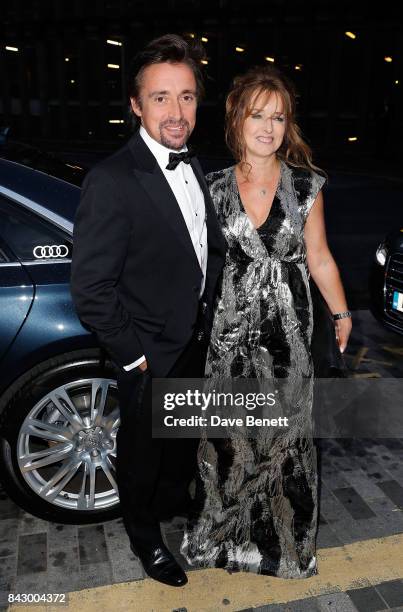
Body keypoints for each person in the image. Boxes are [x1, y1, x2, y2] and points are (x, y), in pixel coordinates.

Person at [181, 65, 352, 577]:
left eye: (279, 117)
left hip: (290, 333)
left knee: (287, 439)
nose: (269, 126)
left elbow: (319, 257)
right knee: (229, 437)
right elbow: (194, 263)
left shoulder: (306, 185)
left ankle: (284, 546)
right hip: (230, 332)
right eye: (258, 114)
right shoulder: (210, 188)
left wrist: (341, 313)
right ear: (237, 119)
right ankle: (220, 539)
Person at [70, 34, 226, 587]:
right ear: (135, 105)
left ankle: (171, 505)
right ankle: (144, 538)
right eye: (160, 98)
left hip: (194, 340)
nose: (176, 112)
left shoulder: (197, 164)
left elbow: (198, 252)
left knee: (180, 441)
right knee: (142, 454)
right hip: (147, 354)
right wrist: (134, 357)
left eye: (186, 96)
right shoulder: (112, 180)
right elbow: (91, 287)